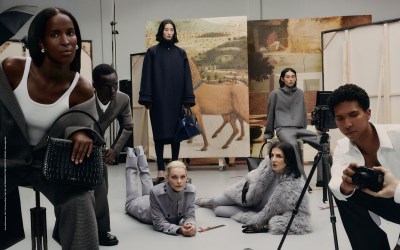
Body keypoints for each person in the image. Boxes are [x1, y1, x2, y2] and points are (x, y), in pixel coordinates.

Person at [0, 7, 102, 249]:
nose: (66, 41)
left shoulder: (82, 88)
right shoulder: (13, 69)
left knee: (80, 201)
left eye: (71, 33)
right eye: (55, 35)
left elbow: (90, 127)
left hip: (50, 165)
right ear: (41, 42)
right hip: (6, 159)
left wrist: (80, 132)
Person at [328, 83, 400, 250]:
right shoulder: (342, 147)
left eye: (354, 115)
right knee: (344, 193)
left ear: (368, 113)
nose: (347, 124)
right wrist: (346, 186)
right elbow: (335, 182)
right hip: (386, 204)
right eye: (340, 118)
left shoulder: (397, 136)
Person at [196, 142, 312, 235]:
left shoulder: (295, 187)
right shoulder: (267, 166)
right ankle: (203, 201)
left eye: (279, 156)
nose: (274, 159)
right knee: (216, 201)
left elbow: (301, 221)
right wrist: (249, 180)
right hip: (246, 196)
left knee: (219, 211)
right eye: (272, 155)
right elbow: (254, 174)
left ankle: (212, 204)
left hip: (258, 211)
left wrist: (267, 225)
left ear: (288, 159)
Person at [138, 19, 195, 180]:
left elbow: (187, 78)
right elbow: (146, 76)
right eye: (166, 29)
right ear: (161, 31)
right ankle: (161, 170)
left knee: (176, 134)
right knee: (159, 135)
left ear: (174, 32)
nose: (169, 32)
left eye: (171, 29)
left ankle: (175, 165)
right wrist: (147, 98)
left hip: (176, 100)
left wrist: (187, 99)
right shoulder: (152, 52)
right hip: (158, 100)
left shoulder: (180, 53)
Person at [92, 63, 134, 246]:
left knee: (101, 188)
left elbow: (127, 126)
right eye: (107, 86)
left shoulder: (123, 99)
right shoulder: (81, 96)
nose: (113, 90)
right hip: (74, 144)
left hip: (97, 149)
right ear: (95, 86)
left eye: (115, 84)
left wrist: (115, 149)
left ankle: (101, 230)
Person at [263, 67, 321, 186]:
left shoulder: (299, 92)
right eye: (288, 77)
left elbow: (303, 112)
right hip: (283, 129)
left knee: (324, 143)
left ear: (295, 78)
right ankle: (303, 182)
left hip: (299, 129)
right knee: (294, 145)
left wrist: (304, 128)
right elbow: (270, 114)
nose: (291, 79)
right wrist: (268, 133)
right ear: (282, 79)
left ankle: (323, 180)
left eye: (293, 76)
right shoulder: (275, 94)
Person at [125, 156, 196, 237]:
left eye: (183, 177)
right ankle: (131, 154)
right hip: (140, 205)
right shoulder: (155, 192)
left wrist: (190, 225)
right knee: (132, 176)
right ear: (167, 178)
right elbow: (159, 222)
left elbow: (190, 216)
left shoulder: (191, 190)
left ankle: (140, 153)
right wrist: (179, 229)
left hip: (152, 198)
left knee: (147, 177)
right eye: (174, 177)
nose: (179, 181)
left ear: (187, 177)